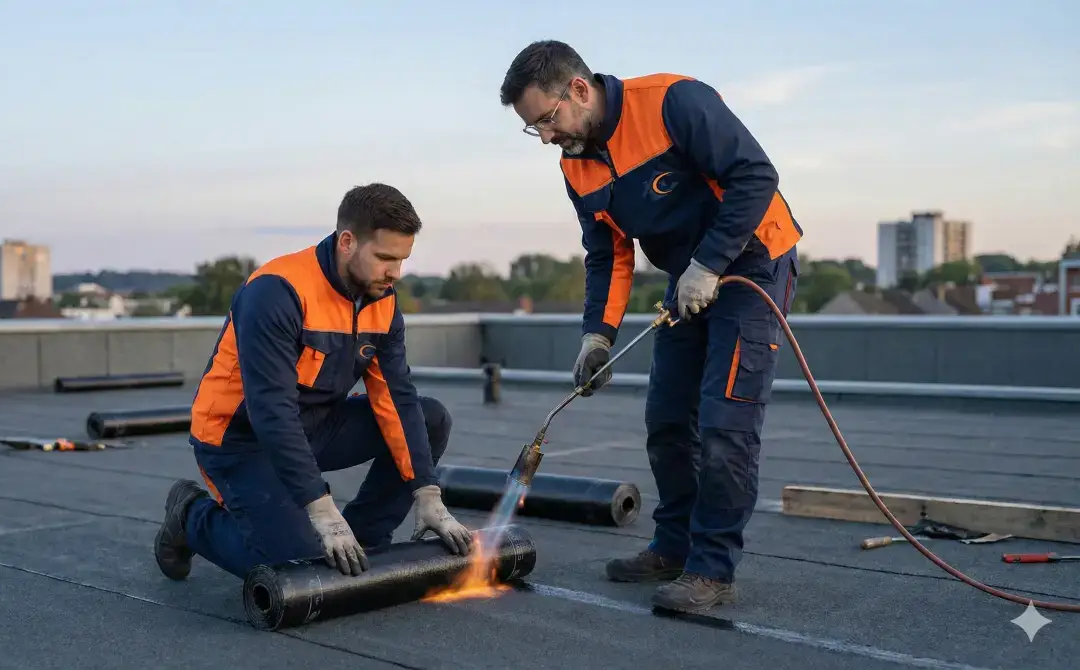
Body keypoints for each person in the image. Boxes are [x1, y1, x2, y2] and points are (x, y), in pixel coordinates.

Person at [499, 41, 802, 613]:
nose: (545, 137)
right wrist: (598, 336)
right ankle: (674, 546)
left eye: (547, 119)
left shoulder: (672, 102)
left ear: (580, 90)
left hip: (754, 262)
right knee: (666, 419)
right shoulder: (576, 163)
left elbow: (755, 175)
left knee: (725, 423)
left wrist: (710, 263)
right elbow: (608, 253)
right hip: (688, 278)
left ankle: (711, 569)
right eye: (533, 127)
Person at [153, 182, 474, 582]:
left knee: (430, 418)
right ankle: (191, 517)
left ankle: (366, 537)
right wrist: (320, 509)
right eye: (385, 258)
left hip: (316, 426)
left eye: (402, 259)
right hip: (239, 437)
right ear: (347, 242)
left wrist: (427, 492)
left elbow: (396, 397)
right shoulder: (277, 291)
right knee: (299, 568)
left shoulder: (382, 299)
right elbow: (271, 411)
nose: (395, 273)